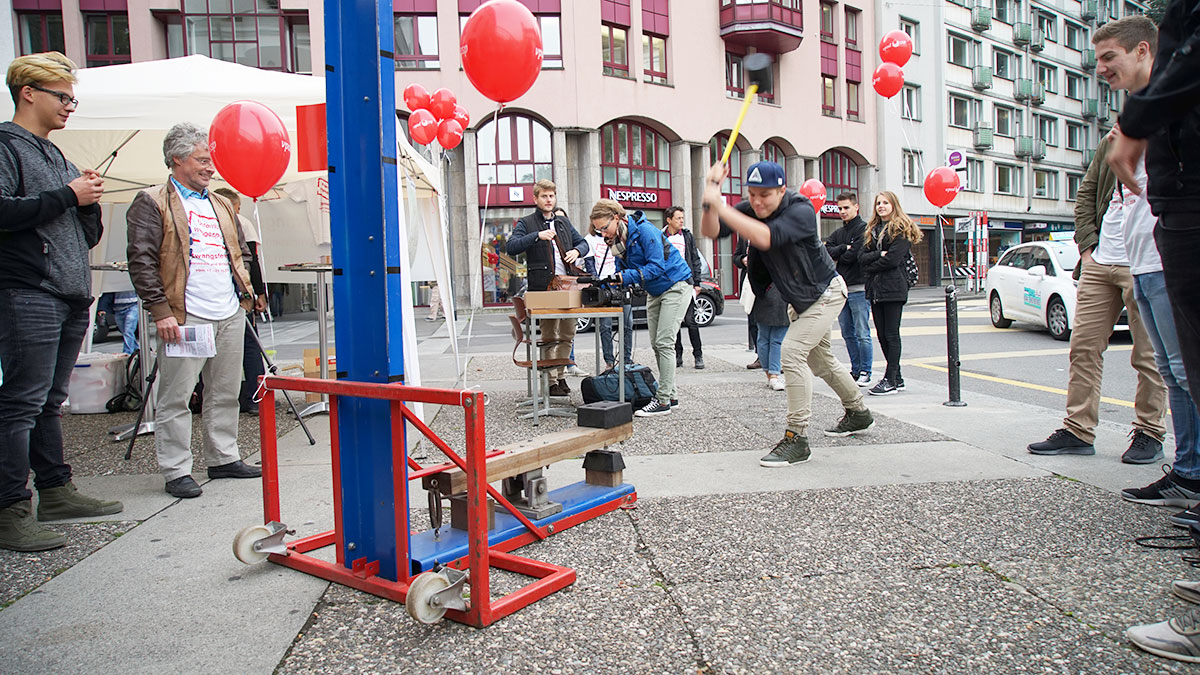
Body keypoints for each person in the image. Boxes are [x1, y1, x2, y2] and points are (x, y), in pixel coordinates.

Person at [1027, 16, 1168, 464]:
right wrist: (1087, 248)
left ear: (1142, 51)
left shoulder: (1168, 108)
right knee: (1083, 348)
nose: (1101, 68)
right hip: (1102, 260)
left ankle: (1149, 432)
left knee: (1150, 357)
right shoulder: (1124, 121)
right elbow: (1089, 191)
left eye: (1109, 57)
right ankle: (1077, 429)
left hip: (1146, 259)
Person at [0, 52, 124, 552]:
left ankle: (55, 491)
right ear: (28, 92)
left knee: (50, 401)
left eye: (72, 97)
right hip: (29, 289)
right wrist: (70, 196)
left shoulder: (58, 157)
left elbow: (83, 234)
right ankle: (11, 507)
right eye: (62, 96)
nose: (70, 105)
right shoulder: (7, 147)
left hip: (70, 291)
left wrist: (87, 201)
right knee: (22, 402)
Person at [1107, 1, 1200, 662]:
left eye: (1113, 60)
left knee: (1184, 372)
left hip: (1186, 214)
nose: (1106, 71)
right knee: (1178, 371)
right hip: (1169, 227)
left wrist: (1139, 119)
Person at [700, 161, 873, 466]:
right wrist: (710, 194)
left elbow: (767, 237)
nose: (757, 201)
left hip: (826, 292)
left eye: (765, 195)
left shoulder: (801, 210)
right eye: (751, 194)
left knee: (791, 353)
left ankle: (797, 439)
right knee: (821, 361)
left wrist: (722, 206)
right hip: (800, 301)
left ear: (782, 190)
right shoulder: (752, 206)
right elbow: (710, 229)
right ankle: (859, 412)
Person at [126, 122, 264, 499]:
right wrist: (160, 310)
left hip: (228, 312)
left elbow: (241, 250)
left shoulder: (219, 202)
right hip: (185, 315)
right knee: (177, 394)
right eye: (203, 159)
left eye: (211, 159)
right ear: (177, 159)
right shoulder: (152, 201)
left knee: (225, 390)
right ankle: (176, 469)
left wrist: (245, 296)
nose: (210, 167)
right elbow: (141, 260)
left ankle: (223, 457)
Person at [590, 199, 692, 417]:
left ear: (616, 218)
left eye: (604, 228)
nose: (602, 233)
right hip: (655, 290)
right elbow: (621, 271)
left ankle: (663, 401)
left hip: (675, 285)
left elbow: (656, 266)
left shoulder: (645, 231)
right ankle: (671, 395)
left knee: (664, 343)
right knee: (657, 344)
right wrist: (606, 283)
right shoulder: (618, 241)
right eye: (598, 230)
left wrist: (624, 276)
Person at [506, 180, 587, 397]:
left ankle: (560, 376)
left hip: (568, 286)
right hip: (543, 288)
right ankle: (551, 381)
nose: (549, 200)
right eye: (544, 196)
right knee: (550, 335)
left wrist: (577, 252)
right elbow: (511, 246)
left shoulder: (563, 223)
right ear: (536, 199)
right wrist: (536, 237)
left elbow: (584, 243)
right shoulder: (527, 222)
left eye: (551, 196)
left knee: (568, 334)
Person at [858, 191, 921, 396]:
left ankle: (890, 379)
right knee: (882, 335)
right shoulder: (873, 230)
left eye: (885, 203)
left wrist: (872, 263)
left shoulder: (901, 229)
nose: (881, 206)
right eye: (878, 203)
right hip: (876, 288)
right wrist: (878, 255)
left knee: (891, 334)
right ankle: (897, 377)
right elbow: (861, 257)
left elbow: (892, 260)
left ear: (894, 205)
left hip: (894, 288)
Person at [212, 187, 268, 415]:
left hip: (225, 292)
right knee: (249, 346)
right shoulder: (242, 223)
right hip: (236, 292)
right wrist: (259, 293)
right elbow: (253, 261)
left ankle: (247, 398)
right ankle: (254, 398)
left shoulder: (229, 222)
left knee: (226, 347)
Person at [825, 192, 872, 386]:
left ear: (856, 207)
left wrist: (841, 252)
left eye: (846, 208)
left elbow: (855, 256)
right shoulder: (838, 233)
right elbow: (826, 253)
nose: (842, 212)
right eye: (840, 208)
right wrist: (845, 248)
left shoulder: (864, 229)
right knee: (847, 332)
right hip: (842, 289)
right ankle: (855, 369)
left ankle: (866, 371)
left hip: (859, 287)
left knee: (862, 332)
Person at [585, 215, 632, 370]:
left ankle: (626, 359)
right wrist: (599, 282)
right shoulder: (590, 239)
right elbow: (589, 264)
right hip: (604, 287)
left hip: (620, 283)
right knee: (605, 326)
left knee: (627, 323)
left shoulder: (620, 234)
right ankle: (609, 361)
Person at [664, 206, 705, 370]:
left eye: (682, 218)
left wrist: (697, 283)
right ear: (669, 220)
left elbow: (695, 259)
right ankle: (678, 355)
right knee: (675, 323)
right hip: (669, 284)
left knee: (691, 321)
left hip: (686, 283)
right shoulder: (662, 237)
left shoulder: (687, 236)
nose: (681, 221)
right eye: (678, 218)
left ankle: (698, 355)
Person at [752, 283, 790, 391]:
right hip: (783, 297)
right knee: (777, 340)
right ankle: (774, 375)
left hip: (762, 297)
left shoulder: (759, 265)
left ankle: (769, 375)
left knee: (763, 339)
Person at [734, 237, 761, 370]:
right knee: (753, 321)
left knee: (772, 322)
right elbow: (736, 257)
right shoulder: (744, 237)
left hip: (767, 283)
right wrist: (742, 260)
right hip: (749, 282)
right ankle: (760, 356)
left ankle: (775, 357)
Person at [97, 290, 140, 354]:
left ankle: (127, 352)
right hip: (118, 308)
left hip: (133, 305)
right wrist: (102, 308)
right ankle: (136, 349)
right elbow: (108, 292)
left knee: (128, 331)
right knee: (125, 332)